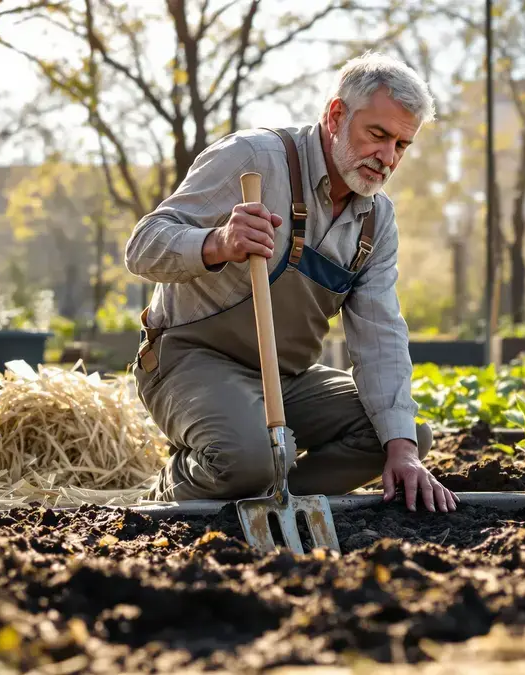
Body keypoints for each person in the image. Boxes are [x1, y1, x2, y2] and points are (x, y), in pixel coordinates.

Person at [124, 52, 458, 513]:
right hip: (189, 359)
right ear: (336, 115)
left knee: (402, 435)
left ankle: (266, 497)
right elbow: (142, 247)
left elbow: (380, 334)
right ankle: (168, 495)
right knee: (246, 460)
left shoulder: (375, 221)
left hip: (284, 379)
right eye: (377, 135)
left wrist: (401, 448)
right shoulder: (255, 159)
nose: (387, 158)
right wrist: (217, 243)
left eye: (401, 145)